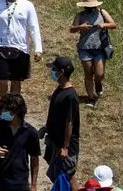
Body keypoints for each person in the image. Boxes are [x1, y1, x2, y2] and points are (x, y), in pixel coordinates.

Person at [0, 93, 41, 191]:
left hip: (20, 183)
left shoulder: (30, 132)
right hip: (0, 182)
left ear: (16, 112)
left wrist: (33, 185)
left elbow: (34, 159)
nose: (2, 113)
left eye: (5, 110)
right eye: (1, 109)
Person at [70, 0, 116, 106]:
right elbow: (72, 29)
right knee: (88, 73)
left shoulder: (102, 12)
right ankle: (91, 97)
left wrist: (103, 25)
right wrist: (80, 27)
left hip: (99, 48)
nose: (90, 8)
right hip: (84, 48)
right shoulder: (80, 15)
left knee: (99, 74)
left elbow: (113, 24)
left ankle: (98, 83)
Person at [42, 57, 81, 189]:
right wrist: (46, 128)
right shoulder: (59, 89)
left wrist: (65, 147)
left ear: (61, 72)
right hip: (54, 139)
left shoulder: (70, 96)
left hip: (65, 144)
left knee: (67, 174)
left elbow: (69, 122)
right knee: (58, 173)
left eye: (54, 69)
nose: (52, 72)